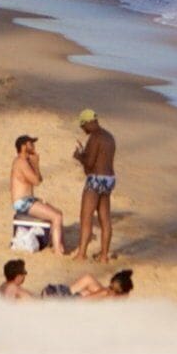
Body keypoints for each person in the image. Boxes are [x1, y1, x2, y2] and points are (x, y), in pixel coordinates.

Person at [7, 133, 66, 256]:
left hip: (28, 200)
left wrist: (34, 164)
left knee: (58, 213)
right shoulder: (21, 162)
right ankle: (57, 251)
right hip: (23, 202)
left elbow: (39, 179)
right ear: (23, 146)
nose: (33, 146)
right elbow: (36, 181)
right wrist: (36, 163)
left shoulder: (25, 161)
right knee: (56, 217)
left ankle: (58, 245)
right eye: (31, 143)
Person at [73, 108, 119, 261]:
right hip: (109, 179)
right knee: (105, 218)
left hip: (96, 179)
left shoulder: (95, 137)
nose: (84, 130)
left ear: (88, 123)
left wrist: (80, 156)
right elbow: (102, 159)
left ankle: (81, 254)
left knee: (86, 217)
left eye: (83, 126)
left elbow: (90, 164)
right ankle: (104, 256)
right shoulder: (109, 137)